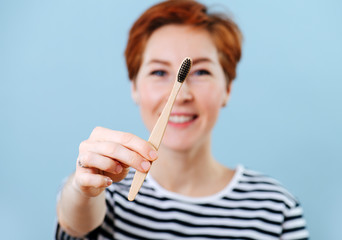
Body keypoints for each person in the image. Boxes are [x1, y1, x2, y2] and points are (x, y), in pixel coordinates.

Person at [56, 0, 309, 239]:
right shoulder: (103, 190)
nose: (181, 96)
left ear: (228, 89)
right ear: (134, 87)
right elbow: (75, 224)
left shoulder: (275, 207)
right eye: (158, 72)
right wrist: (81, 190)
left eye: (201, 72)